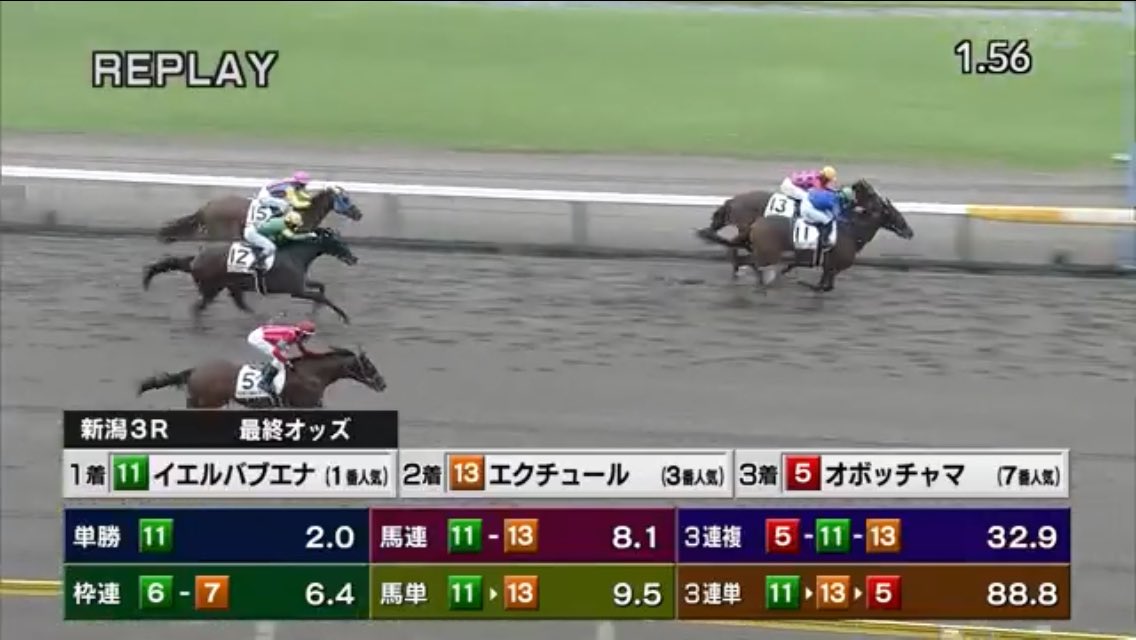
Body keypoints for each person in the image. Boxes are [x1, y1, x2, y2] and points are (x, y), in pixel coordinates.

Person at [246, 319, 318, 401]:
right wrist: (286, 362)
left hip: (262, 333)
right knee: (280, 358)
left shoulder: (296, 334)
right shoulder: (290, 335)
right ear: (301, 334)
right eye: (306, 336)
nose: (307, 338)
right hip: (257, 338)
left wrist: (310, 354)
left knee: (283, 353)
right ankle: (264, 382)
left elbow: (300, 347)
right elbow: (276, 352)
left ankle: (267, 370)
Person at [247, 211, 317, 274]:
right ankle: (257, 263)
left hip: (255, 228)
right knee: (271, 247)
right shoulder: (283, 228)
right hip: (253, 234)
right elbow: (293, 237)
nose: (295, 226)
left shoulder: (282, 219)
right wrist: (308, 235)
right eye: (294, 224)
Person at [799, 185, 855, 251]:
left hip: (808, 199)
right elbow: (838, 217)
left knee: (828, 215)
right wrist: (848, 221)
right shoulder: (834, 202)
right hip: (808, 208)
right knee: (828, 222)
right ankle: (824, 241)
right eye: (847, 200)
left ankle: (821, 232)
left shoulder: (834, 194)